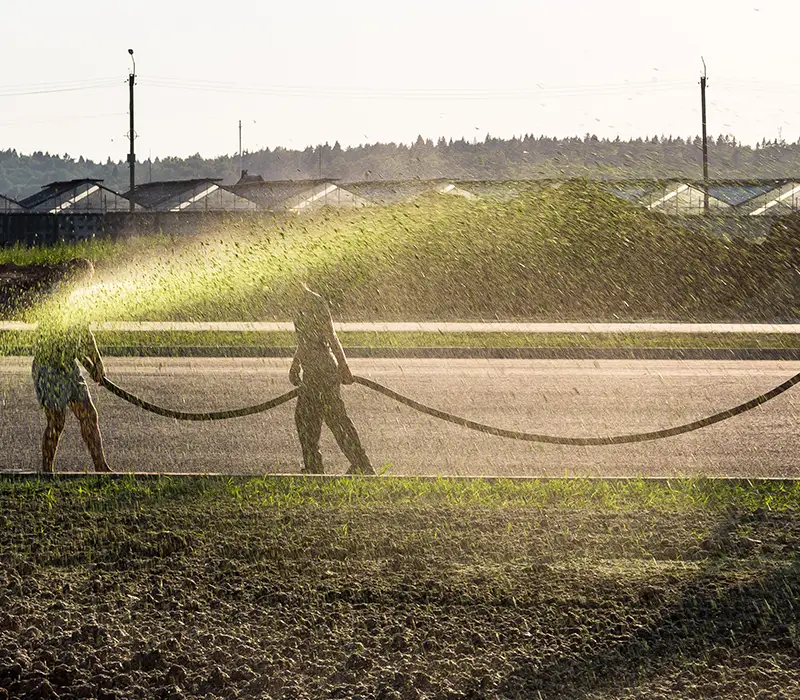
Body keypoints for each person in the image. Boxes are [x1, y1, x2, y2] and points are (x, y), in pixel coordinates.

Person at [32, 259, 111, 473]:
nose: (86, 283)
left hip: (68, 367)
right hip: (48, 367)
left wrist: (97, 361)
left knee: (89, 415)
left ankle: (101, 467)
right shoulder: (55, 296)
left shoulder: (79, 300)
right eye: (84, 279)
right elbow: (56, 332)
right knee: (57, 421)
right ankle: (47, 471)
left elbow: (85, 333)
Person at [289, 283, 375, 475]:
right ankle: (318, 467)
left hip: (323, 371)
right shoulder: (299, 302)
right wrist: (296, 365)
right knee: (308, 419)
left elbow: (330, 336)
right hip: (312, 372)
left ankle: (359, 465)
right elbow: (305, 340)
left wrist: (344, 367)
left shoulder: (314, 302)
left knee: (331, 420)